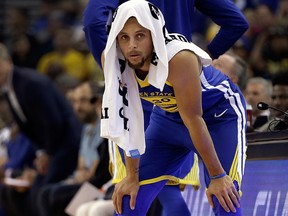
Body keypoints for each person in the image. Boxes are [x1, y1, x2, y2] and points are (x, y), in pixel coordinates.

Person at [83, 0, 248, 215]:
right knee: (128, 201)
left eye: (140, 36)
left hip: (217, 116)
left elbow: (193, 119)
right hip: (168, 118)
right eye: (124, 37)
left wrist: (216, 176)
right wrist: (132, 176)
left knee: (224, 198)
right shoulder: (113, 59)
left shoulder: (179, 57)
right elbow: (127, 119)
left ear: (154, 34)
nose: (132, 45)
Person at [0, 43, 82, 216]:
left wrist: (46, 153)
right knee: (20, 192)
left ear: (7, 61)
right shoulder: (10, 88)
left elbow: (54, 122)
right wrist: (40, 153)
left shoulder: (29, 83)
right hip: (52, 149)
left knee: (41, 194)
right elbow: (29, 127)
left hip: (67, 146)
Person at [36, 81, 111, 216]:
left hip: (99, 185)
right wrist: (82, 173)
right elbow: (81, 165)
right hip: (87, 181)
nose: (77, 107)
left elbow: (99, 170)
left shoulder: (106, 127)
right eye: (75, 101)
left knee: (54, 197)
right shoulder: (87, 128)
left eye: (83, 101)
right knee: (45, 193)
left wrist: (85, 174)